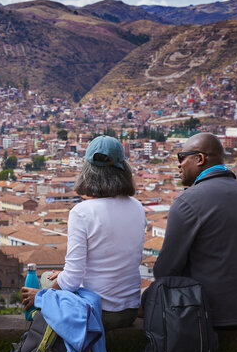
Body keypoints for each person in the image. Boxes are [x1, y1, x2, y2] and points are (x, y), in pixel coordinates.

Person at [21, 135, 146, 331]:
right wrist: (65, 275)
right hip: (128, 311)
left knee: (46, 278)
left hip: (96, 313)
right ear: (123, 170)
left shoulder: (82, 212)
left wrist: (40, 295)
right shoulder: (137, 207)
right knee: (58, 277)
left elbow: (70, 282)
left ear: (88, 171)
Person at [153, 132, 237, 328]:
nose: (179, 164)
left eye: (182, 157)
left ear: (200, 159)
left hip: (214, 314)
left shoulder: (188, 201)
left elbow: (164, 270)